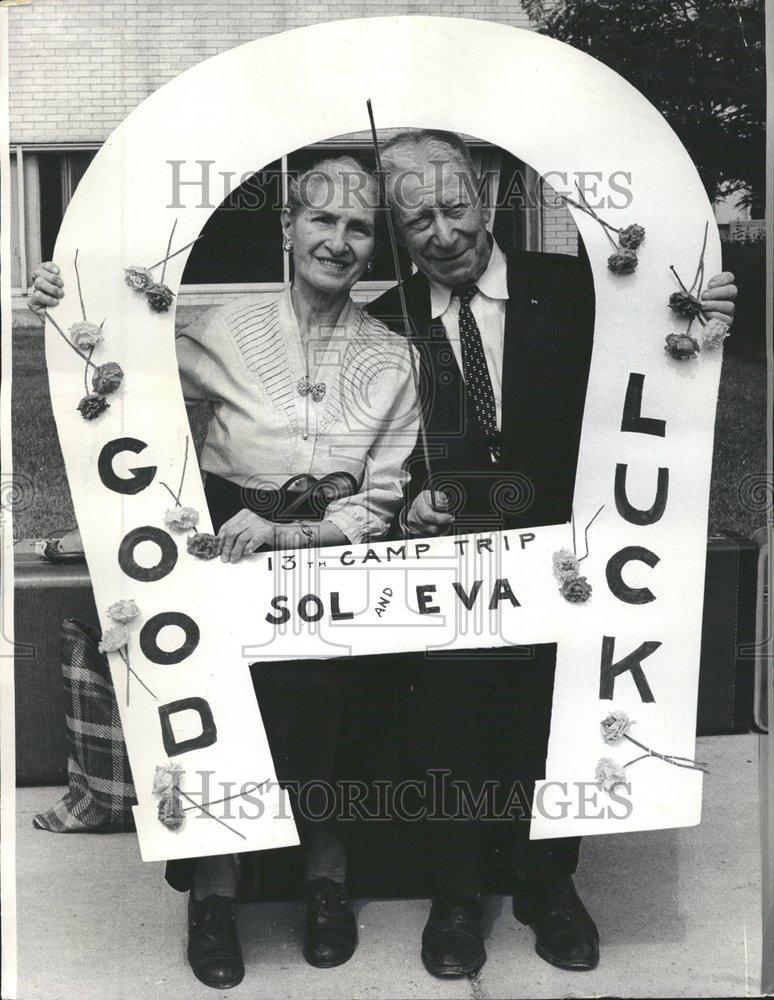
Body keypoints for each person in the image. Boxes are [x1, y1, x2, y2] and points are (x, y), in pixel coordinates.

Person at [28, 155, 420, 988]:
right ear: (287, 228)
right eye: (322, 220)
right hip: (215, 539)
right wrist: (57, 310)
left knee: (325, 715)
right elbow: (112, 357)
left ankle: (326, 882)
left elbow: (381, 500)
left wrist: (299, 534)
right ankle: (214, 891)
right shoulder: (219, 327)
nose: (339, 242)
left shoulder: (394, 357)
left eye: (358, 229)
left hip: (326, 554)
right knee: (209, 707)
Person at [365, 128, 737, 978]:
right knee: (450, 714)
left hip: (577, 552)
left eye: (454, 207)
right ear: (398, 228)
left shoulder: (584, 291)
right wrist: (412, 496)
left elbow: (670, 361)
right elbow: (369, 448)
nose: (443, 232)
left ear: (487, 197)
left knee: (561, 706)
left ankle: (548, 882)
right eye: (417, 218)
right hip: (449, 565)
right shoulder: (380, 326)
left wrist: (705, 319)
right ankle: (457, 893)